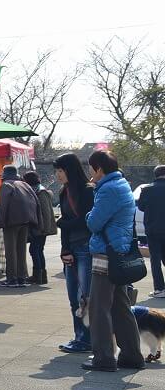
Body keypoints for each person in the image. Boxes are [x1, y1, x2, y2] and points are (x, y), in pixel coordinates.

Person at [83, 150, 144, 372]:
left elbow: (94, 223)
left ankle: (104, 358)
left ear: (98, 168)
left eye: (91, 167)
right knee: (120, 307)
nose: (89, 172)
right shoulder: (121, 184)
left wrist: (89, 214)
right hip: (118, 252)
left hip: (105, 254)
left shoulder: (108, 189)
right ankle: (132, 355)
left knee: (99, 309)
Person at [54, 153, 95, 354]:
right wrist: (64, 250)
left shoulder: (88, 191)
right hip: (71, 248)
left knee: (84, 295)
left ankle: (88, 338)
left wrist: (63, 222)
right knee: (73, 297)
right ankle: (79, 337)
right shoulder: (64, 192)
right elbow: (65, 226)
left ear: (70, 170)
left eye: (60, 171)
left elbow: (87, 221)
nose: (58, 175)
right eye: (57, 171)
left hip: (86, 248)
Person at [0, 165, 39, 288]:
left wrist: (0, 222)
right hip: (26, 221)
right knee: (21, 250)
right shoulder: (24, 184)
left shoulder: (6, 185)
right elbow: (36, 202)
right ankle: (22, 277)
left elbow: (3, 206)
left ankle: (12, 279)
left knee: (10, 251)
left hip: (11, 222)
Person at [23, 171, 57, 286]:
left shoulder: (40, 192)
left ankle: (38, 276)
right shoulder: (38, 190)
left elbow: (45, 213)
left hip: (40, 228)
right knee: (38, 250)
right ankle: (41, 276)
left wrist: (43, 229)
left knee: (35, 250)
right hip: (41, 227)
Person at [137, 165, 165, 298]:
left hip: (152, 228)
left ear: (155, 174)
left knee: (155, 259)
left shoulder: (147, 189)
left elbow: (141, 207)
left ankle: (160, 289)